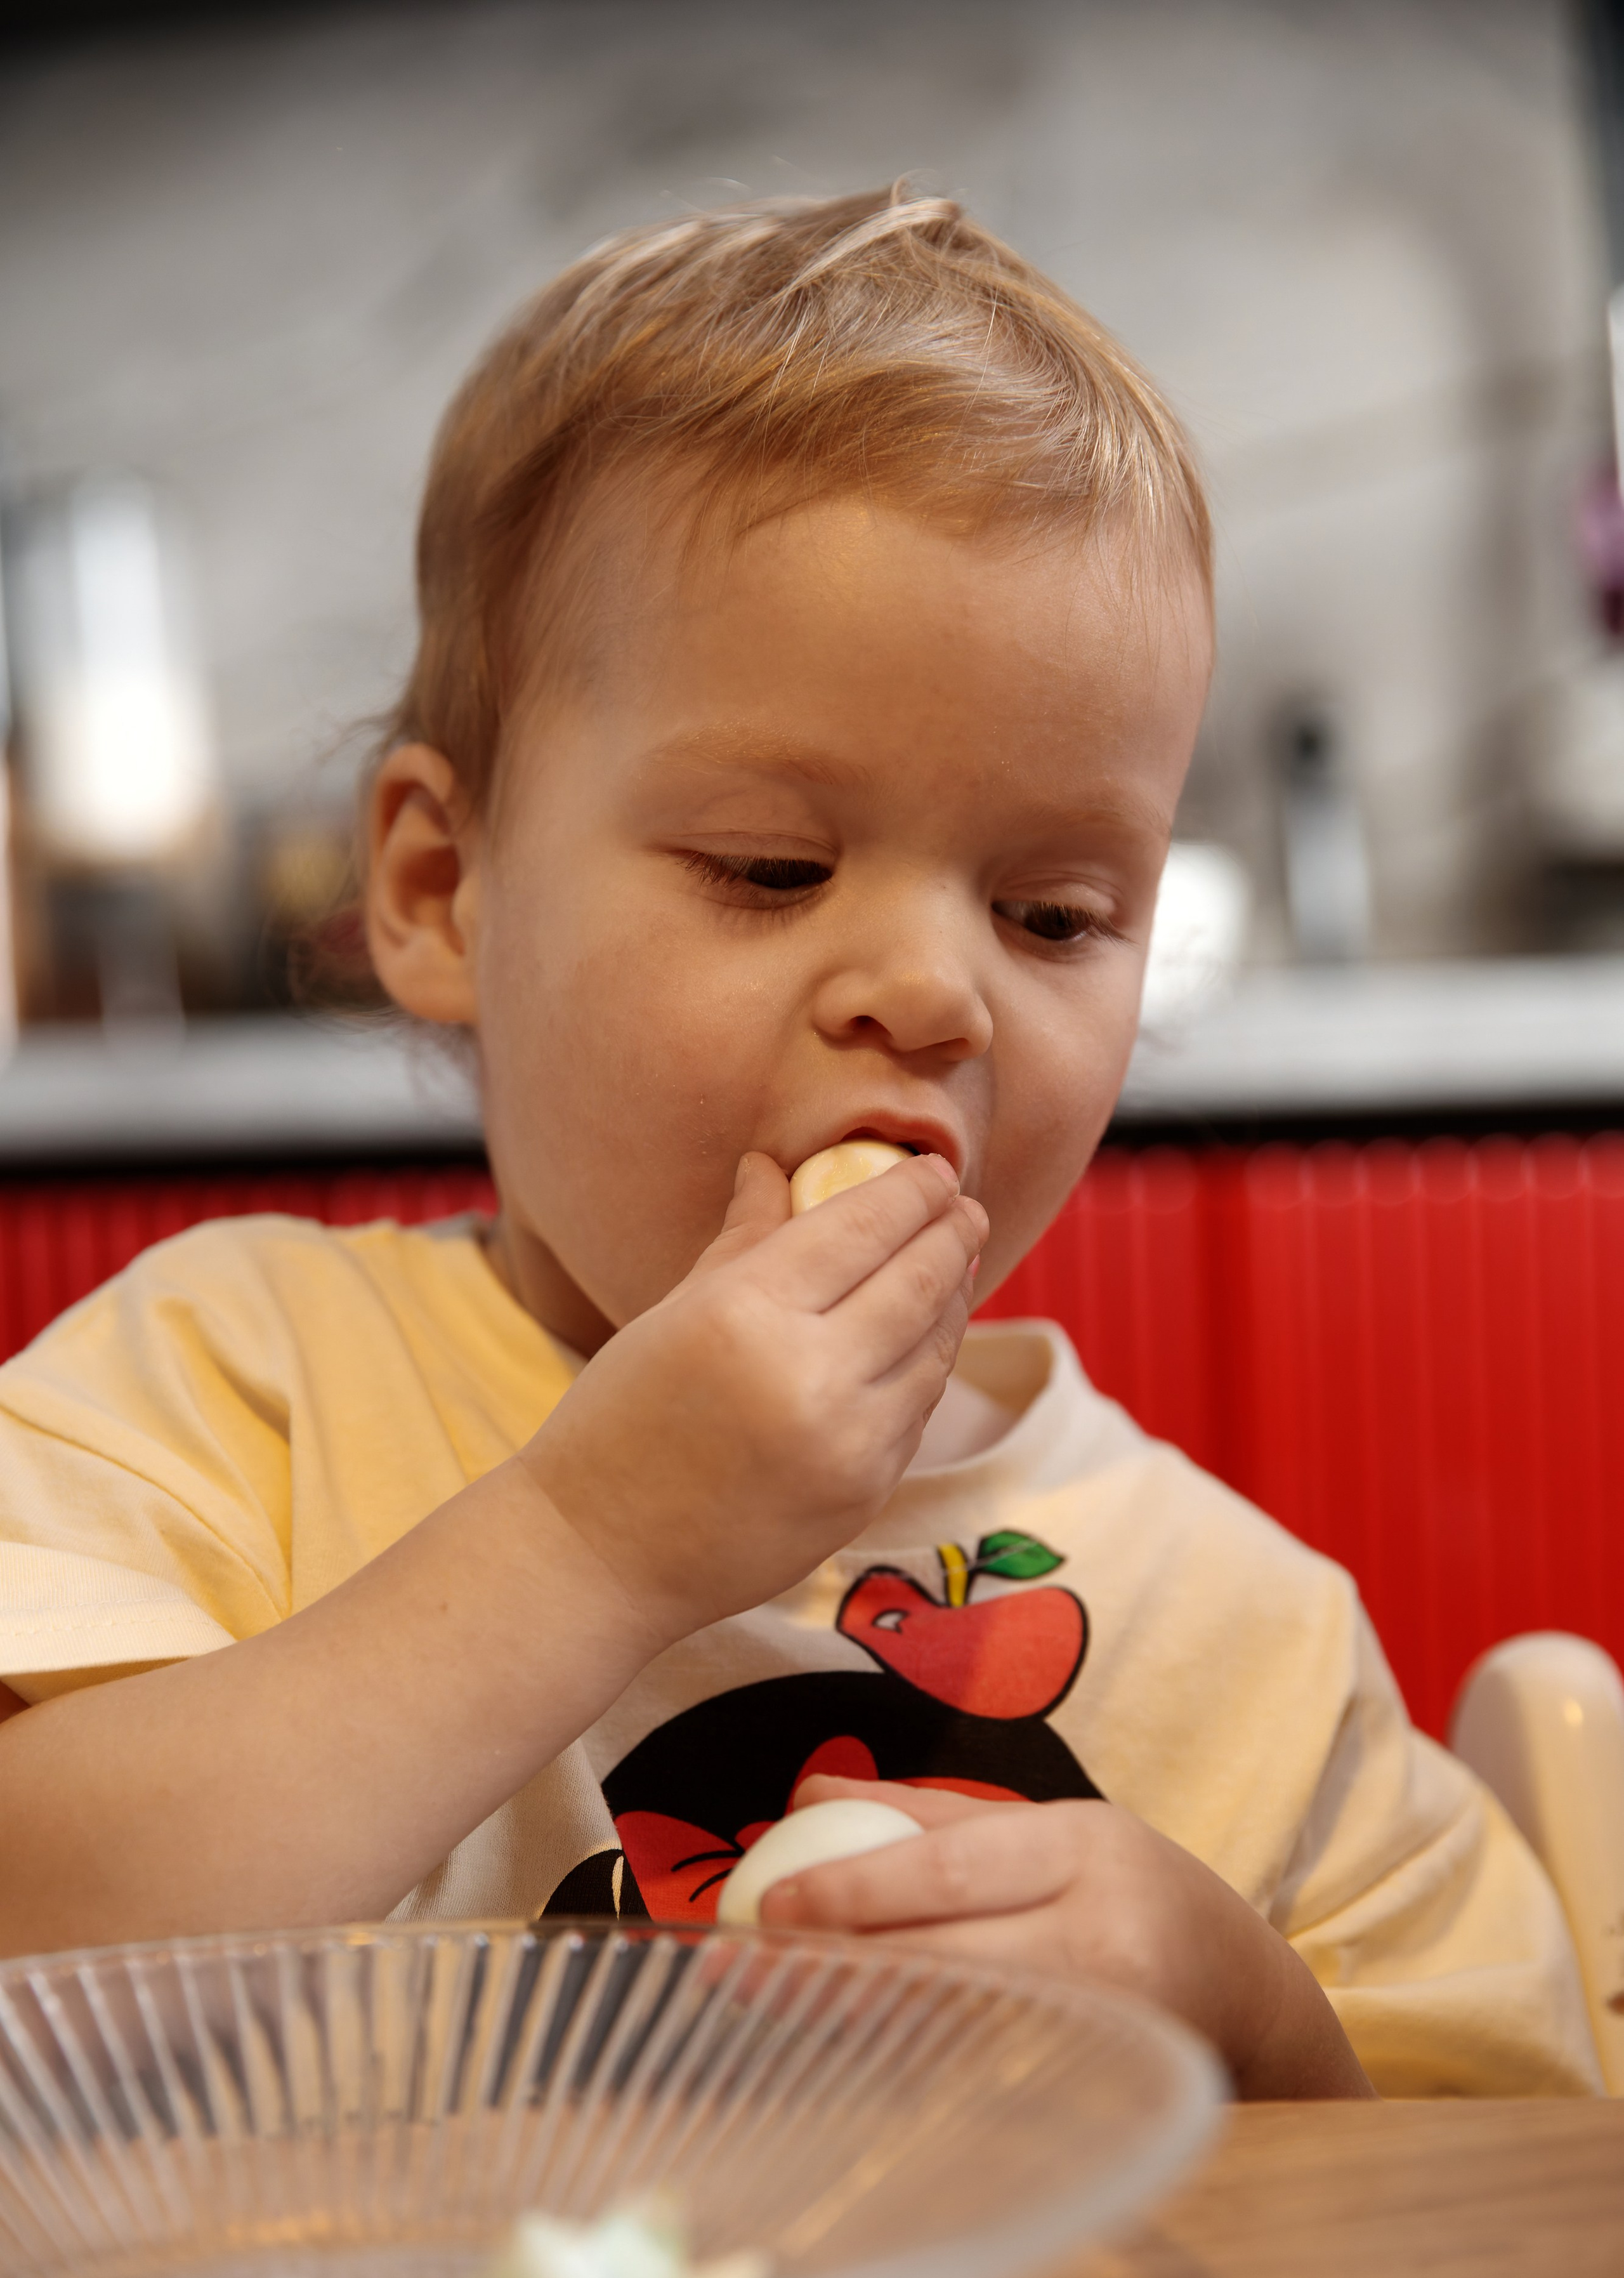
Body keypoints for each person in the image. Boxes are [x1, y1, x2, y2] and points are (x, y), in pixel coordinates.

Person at [0, 190, 1598, 2100]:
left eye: (1057, 914)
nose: (936, 995)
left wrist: (1242, 2011)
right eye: (773, 866)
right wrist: (594, 1542)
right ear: (438, 889)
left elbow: (1511, 2219)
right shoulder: (226, 1394)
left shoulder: (1244, 1636)